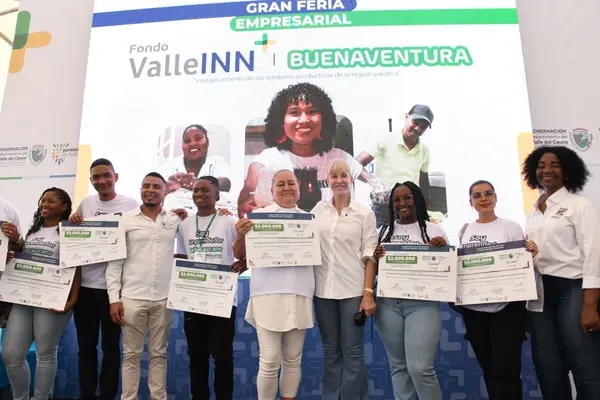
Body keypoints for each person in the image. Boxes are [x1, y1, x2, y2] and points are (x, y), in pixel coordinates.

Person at [522, 146, 600, 400]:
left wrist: (590, 305)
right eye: (541, 165)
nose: (547, 170)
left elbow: (594, 254)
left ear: (567, 170)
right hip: (540, 293)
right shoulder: (534, 211)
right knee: (549, 367)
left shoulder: (580, 206)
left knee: (584, 362)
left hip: (573, 290)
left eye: (554, 165)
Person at [233, 169, 315, 400]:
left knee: (293, 359)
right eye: (280, 184)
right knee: (269, 360)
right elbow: (239, 254)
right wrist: (240, 235)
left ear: (298, 189)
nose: (286, 187)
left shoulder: (310, 219)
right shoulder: (258, 217)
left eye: (291, 183)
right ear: (271, 190)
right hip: (267, 294)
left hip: (299, 293)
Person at [105, 172, 186, 400]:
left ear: (165, 192)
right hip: (131, 298)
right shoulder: (125, 220)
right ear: (140, 189)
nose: (150, 190)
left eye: (156, 187)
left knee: (159, 354)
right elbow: (114, 262)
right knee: (131, 355)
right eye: (146, 186)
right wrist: (114, 299)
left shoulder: (174, 220)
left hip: (163, 298)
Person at [457, 180, 538, 400]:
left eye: (488, 193)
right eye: (477, 195)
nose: (483, 198)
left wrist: (530, 254)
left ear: (495, 198)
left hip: (507, 310)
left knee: (506, 370)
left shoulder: (511, 227)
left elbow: (520, 265)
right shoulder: (465, 230)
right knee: (489, 369)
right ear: (470, 202)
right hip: (475, 312)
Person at [68, 158, 139, 400]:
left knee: (111, 349)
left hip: (115, 292)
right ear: (91, 181)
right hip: (86, 288)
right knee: (86, 348)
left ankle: (108, 395)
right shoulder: (86, 203)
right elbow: (73, 237)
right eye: (96, 177)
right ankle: (87, 394)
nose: (102, 181)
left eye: (106, 175)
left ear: (115, 177)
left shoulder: (131, 204)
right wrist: (73, 221)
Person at [238, 82, 366, 216]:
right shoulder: (266, 162)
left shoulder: (341, 158)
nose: (304, 120)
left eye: (312, 112)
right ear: (280, 120)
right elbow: (244, 207)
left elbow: (374, 186)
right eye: (294, 112)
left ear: (324, 118)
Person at [1, 187, 81, 400]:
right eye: (43, 200)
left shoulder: (68, 230)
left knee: (45, 353)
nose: (44, 204)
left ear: (64, 206)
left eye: (51, 201)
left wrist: (72, 299)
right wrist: (12, 254)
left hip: (53, 299)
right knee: (11, 355)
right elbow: (22, 257)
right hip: (24, 297)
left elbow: (77, 267)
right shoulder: (33, 231)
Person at [175, 176, 246, 400]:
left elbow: (243, 255)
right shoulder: (185, 225)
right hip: (193, 300)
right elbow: (182, 257)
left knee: (222, 357)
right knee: (197, 357)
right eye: (195, 190)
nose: (199, 194)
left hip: (222, 300)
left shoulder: (230, 221)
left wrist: (242, 265)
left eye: (205, 190)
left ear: (217, 195)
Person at [310, 160, 377, 400]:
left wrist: (368, 293)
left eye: (344, 175)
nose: (339, 180)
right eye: (334, 176)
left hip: (353, 292)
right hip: (322, 292)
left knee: (353, 352)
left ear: (351, 179)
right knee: (330, 351)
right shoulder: (317, 211)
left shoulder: (365, 213)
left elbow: (370, 255)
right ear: (327, 180)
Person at [372, 181, 445, 400]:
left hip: (422, 305)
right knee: (399, 368)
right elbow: (373, 269)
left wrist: (442, 251)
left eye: (407, 198)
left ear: (417, 200)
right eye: (396, 199)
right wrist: (375, 257)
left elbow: (445, 270)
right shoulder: (383, 231)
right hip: (388, 305)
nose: (401, 203)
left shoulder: (433, 230)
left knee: (420, 368)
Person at [355, 105, 434, 226]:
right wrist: (375, 183)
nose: (418, 128)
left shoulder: (424, 150)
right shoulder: (386, 140)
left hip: (410, 208)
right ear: (407, 116)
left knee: (411, 238)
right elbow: (356, 164)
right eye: (415, 122)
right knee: (382, 238)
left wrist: (425, 210)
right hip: (384, 208)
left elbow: (424, 184)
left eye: (423, 127)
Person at [161, 124, 231, 193]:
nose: (192, 144)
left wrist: (196, 183)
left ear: (207, 142)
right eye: (187, 141)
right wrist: (169, 183)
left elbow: (225, 183)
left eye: (198, 138)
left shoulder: (218, 163)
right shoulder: (168, 167)